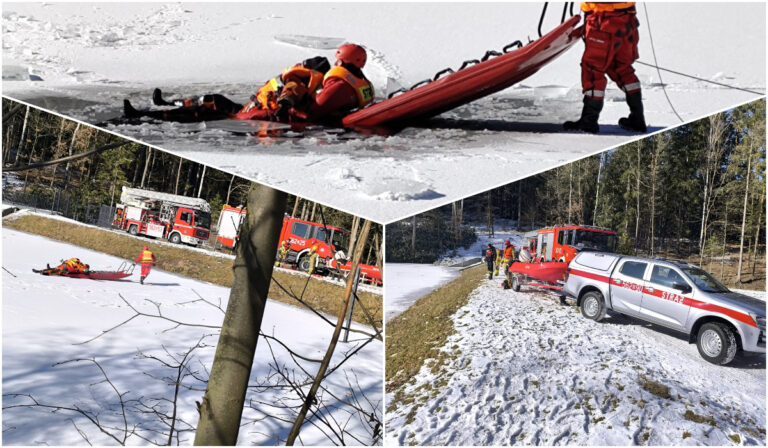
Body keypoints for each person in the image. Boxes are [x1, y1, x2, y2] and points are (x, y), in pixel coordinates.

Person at [123, 56, 331, 123]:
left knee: (202, 112)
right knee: (213, 98)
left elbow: (289, 95)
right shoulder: (300, 80)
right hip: (247, 109)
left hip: (251, 118)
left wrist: (284, 106)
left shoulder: (298, 81)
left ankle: (143, 115)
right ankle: (166, 104)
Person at [563, 2, 646, 134]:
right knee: (622, 68)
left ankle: (589, 121)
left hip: (603, 22)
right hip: (627, 22)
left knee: (592, 70)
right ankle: (638, 118)